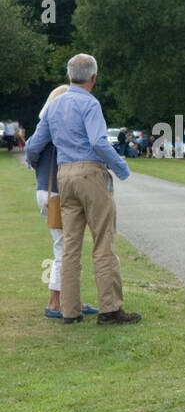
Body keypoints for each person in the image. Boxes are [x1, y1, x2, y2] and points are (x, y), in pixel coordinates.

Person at [22, 54, 140, 325]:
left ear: (69, 75)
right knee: (103, 241)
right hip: (90, 173)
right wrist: (121, 168)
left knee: (70, 246)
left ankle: (70, 310)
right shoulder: (90, 103)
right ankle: (110, 309)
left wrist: (32, 163)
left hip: (64, 175)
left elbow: (33, 145)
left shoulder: (54, 106)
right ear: (93, 78)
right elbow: (99, 142)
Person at [25, 84, 97, 321]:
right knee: (64, 248)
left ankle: (71, 299)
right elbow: (31, 148)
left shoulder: (51, 123)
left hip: (51, 191)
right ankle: (55, 302)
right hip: (54, 192)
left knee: (68, 246)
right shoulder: (53, 124)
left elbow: (33, 151)